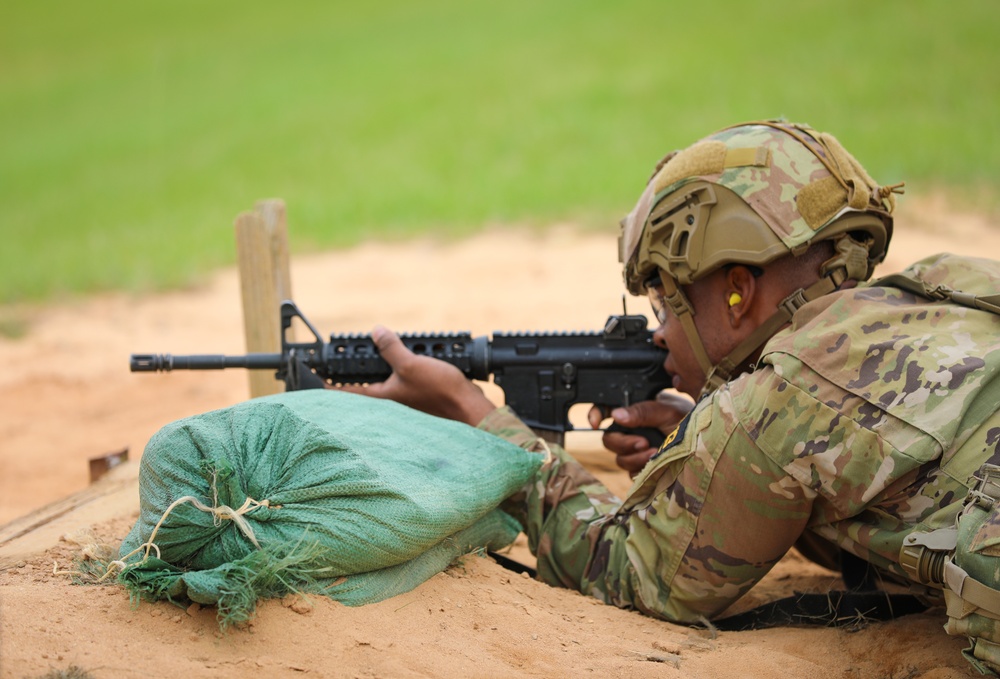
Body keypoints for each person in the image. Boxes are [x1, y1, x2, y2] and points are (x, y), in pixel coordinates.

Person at [346, 120, 1000, 649]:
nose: (659, 333)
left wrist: (474, 415)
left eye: (666, 304)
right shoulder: (957, 282)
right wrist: (702, 458)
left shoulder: (774, 404)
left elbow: (628, 568)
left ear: (738, 290)